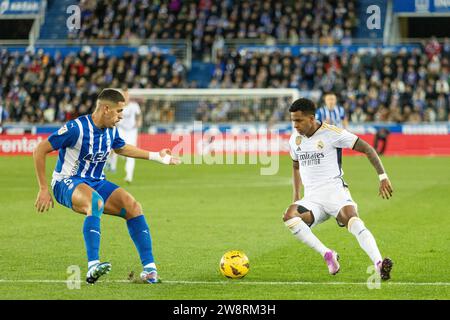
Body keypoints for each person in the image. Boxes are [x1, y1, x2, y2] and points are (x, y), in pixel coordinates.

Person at [33, 89, 181, 285]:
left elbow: (120, 147)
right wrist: (43, 188)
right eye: (119, 111)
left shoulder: (111, 129)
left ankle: (149, 270)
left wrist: (156, 156)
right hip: (67, 181)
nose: (121, 116)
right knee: (95, 202)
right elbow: (40, 149)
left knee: (133, 206)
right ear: (105, 109)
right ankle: (93, 265)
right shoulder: (76, 128)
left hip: (96, 181)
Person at [283, 98, 394, 280]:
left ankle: (379, 264)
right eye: (293, 120)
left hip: (335, 193)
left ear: (311, 118)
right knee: (289, 216)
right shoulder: (294, 140)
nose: (295, 125)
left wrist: (383, 177)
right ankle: (328, 254)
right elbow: (296, 166)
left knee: (353, 220)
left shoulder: (332, 133)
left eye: (298, 120)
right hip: (313, 200)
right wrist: (296, 195)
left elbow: (367, 148)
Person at [108, 87, 142, 183]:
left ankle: (129, 176)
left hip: (132, 131)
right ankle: (112, 165)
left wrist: (139, 122)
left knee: (132, 153)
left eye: (127, 95)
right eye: (124, 95)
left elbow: (139, 115)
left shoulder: (134, 105)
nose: (126, 97)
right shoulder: (117, 106)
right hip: (121, 130)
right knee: (115, 149)